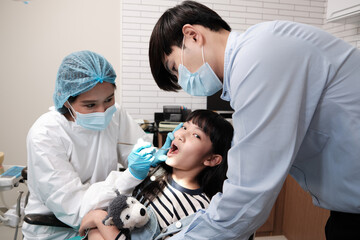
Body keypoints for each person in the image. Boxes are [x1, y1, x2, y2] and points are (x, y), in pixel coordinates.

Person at [148, 1, 360, 239]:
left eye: (175, 68)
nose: (183, 79)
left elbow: (247, 195)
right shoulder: (255, 54)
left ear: (192, 36)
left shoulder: (258, 58)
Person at [22, 50, 153, 240]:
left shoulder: (114, 114)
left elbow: (139, 150)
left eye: (109, 99)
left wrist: (159, 154)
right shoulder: (45, 134)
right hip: (58, 230)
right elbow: (75, 207)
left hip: (105, 216)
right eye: (90, 105)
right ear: (66, 100)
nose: (102, 111)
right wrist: (129, 176)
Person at [78, 110, 234, 240]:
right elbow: (96, 205)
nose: (180, 135)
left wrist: (98, 220)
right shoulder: (152, 173)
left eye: (196, 135)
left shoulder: (199, 211)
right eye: (185, 127)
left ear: (211, 159)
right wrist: (132, 175)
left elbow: (97, 218)